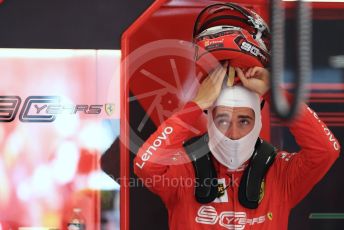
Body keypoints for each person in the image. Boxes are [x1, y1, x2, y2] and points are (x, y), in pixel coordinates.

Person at [133, 63, 340, 229]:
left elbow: (326, 150)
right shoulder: (183, 168)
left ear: (258, 121)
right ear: (209, 119)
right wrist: (195, 106)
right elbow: (145, 164)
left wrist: (275, 95)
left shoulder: (280, 173)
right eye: (223, 120)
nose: (233, 133)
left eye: (244, 121)